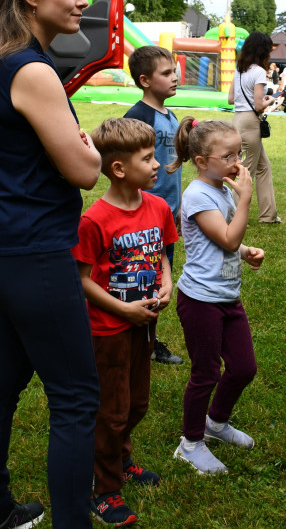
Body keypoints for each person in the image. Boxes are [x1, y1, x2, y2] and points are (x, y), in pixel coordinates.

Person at [0, 0, 104, 529]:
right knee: (75, 398)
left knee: (5, 380)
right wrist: (84, 147)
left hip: (1, 249)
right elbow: (85, 170)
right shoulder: (33, 70)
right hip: (36, 255)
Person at [72, 117, 178, 526]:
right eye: (148, 158)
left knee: (137, 402)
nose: (157, 165)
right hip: (109, 331)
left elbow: (163, 255)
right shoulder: (94, 220)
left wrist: (167, 283)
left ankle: (122, 457)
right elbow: (82, 281)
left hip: (144, 325)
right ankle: (106, 490)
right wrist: (124, 310)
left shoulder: (158, 207)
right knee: (112, 411)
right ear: (118, 169)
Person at [168, 118, 266, 474]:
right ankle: (190, 444)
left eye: (239, 154)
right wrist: (246, 200)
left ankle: (216, 423)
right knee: (206, 372)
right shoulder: (196, 195)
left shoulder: (222, 189)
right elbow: (227, 238)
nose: (237, 163)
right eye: (228, 156)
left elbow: (225, 243)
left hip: (227, 297)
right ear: (202, 161)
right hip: (200, 301)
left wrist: (246, 251)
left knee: (243, 367)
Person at [123, 45, 185, 366]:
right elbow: (127, 166)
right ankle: (137, 342)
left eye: (174, 71)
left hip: (166, 217)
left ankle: (147, 341)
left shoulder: (170, 115)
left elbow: (173, 163)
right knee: (142, 282)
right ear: (145, 80)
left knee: (159, 283)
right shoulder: (138, 117)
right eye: (166, 73)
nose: (175, 77)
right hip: (144, 219)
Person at [228, 31, 281, 224]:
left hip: (237, 121)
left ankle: (268, 214)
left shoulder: (238, 69)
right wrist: (271, 100)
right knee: (245, 172)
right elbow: (258, 105)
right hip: (251, 122)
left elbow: (230, 99)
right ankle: (231, 216)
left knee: (264, 167)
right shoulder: (258, 71)